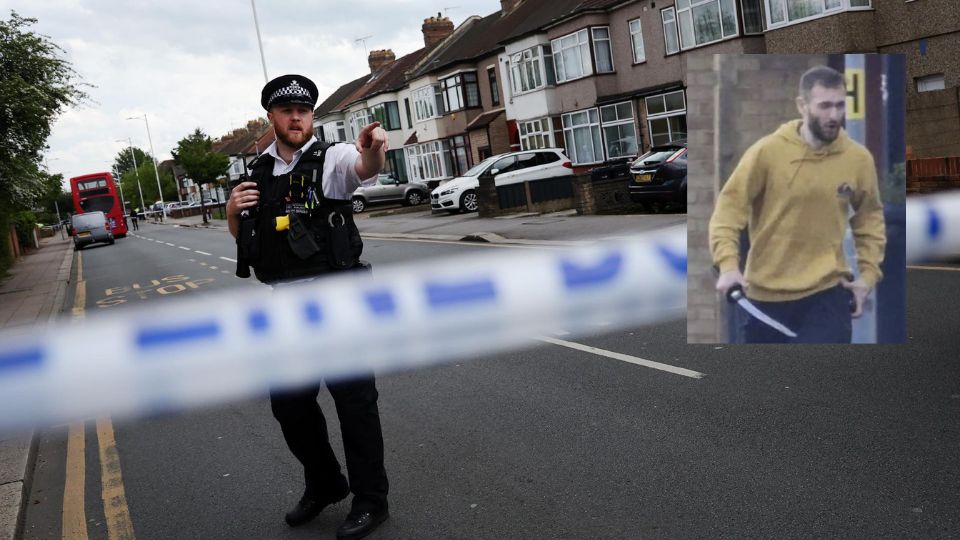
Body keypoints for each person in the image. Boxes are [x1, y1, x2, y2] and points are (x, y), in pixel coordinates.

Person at [226, 74, 390, 539]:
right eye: (286, 111)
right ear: (272, 118)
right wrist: (233, 216)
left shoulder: (333, 158)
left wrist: (374, 146)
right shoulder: (258, 172)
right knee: (290, 407)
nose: (296, 117)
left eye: (303, 110)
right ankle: (325, 483)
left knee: (355, 405)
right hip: (288, 308)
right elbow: (251, 241)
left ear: (311, 116)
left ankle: (371, 500)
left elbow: (366, 168)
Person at [709, 65, 886, 344]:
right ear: (802, 105)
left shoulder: (857, 159)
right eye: (825, 106)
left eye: (840, 105)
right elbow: (728, 211)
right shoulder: (767, 152)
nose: (834, 115)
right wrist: (728, 266)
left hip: (826, 296)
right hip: (763, 299)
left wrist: (867, 277)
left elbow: (869, 216)